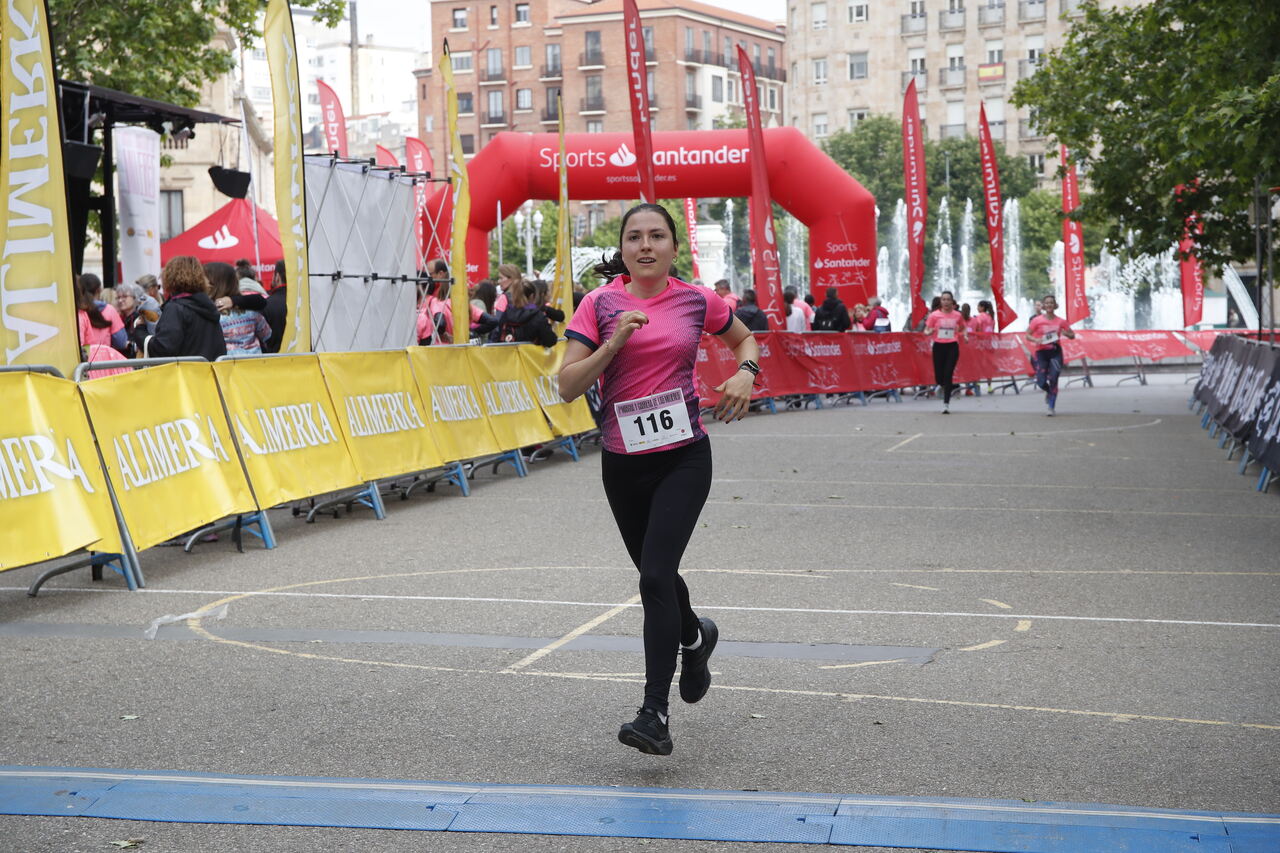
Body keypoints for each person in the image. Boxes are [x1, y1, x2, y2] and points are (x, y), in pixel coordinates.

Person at [557, 202, 759, 757]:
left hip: (683, 457)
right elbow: (567, 386)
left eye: (656, 236)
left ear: (674, 247)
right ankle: (695, 639)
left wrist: (746, 372)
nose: (645, 246)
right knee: (659, 576)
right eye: (634, 238)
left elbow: (746, 340)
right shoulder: (598, 304)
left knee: (654, 577)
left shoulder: (697, 299)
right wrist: (614, 342)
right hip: (623, 461)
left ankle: (654, 713)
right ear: (621, 249)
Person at [146, 256, 227, 360]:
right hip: (209, 373)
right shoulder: (208, 305)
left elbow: (163, 349)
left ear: (170, 277)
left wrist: (142, 334)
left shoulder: (176, 307)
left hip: (185, 373)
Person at [473, 272, 556, 346]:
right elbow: (550, 340)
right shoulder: (537, 315)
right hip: (531, 360)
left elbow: (497, 334)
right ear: (532, 296)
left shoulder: (507, 312)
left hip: (508, 359)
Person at [1026, 293, 1076, 415]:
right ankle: (1048, 391)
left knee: (1054, 378)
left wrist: (1066, 334)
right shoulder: (1037, 321)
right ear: (1043, 306)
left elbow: (1072, 335)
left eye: (1051, 303)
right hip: (1041, 353)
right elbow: (1027, 335)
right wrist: (1036, 340)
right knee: (1041, 381)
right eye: (1047, 303)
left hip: (1055, 353)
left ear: (1055, 305)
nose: (1049, 305)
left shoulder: (1061, 321)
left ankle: (1051, 407)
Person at [206, 261, 270, 355]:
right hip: (254, 363)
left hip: (224, 365)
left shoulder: (211, 314)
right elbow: (267, 335)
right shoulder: (251, 311)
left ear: (213, 283)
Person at [924, 291, 968, 414]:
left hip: (952, 347)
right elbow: (926, 330)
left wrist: (965, 336)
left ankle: (946, 404)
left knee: (948, 374)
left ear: (952, 301)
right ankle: (941, 386)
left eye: (948, 299)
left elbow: (963, 328)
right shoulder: (934, 315)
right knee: (939, 376)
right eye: (943, 299)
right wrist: (929, 332)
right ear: (940, 301)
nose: (946, 302)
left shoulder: (957, 315)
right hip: (938, 347)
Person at [112, 282, 159, 355]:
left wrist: (130, 345)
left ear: (135, 297)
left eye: (124, 296)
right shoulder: (119, 318)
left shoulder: (141, 317)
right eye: (118, 297)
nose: (120, 300)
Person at [262, 260, 288, 353]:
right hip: (304, 359)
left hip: (273, 360)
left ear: (277, 277)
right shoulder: (304, 301)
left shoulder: (266, 304)